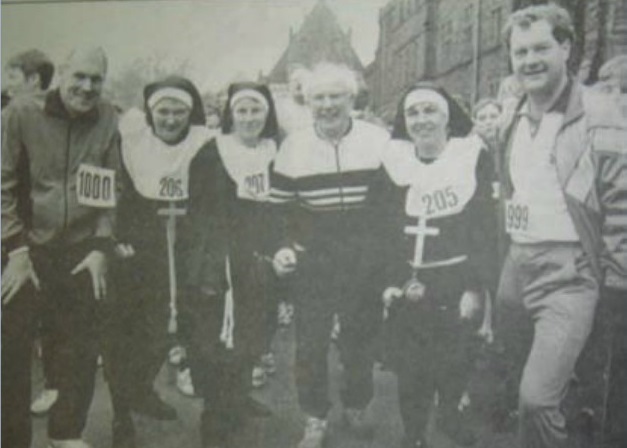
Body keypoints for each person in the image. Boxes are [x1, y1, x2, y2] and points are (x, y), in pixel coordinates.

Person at [494, 5, 627, 448]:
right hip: (516, 266)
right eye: (520, 51)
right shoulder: (510, 113)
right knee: (520, 380)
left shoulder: (600, 111)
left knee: (536, 398)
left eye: (540, 49)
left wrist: (616, 281)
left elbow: (621, 202)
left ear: (566, 47)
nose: (529, 60)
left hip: (570, 274)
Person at [2, 47, 120, 448]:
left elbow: (109, 186)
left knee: (81, 349)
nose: (87, 88)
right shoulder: (21, 113)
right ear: (62, 75)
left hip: (80, 249)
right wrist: (15, 251)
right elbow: (2, 185)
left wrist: (101, 246)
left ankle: (66, 433)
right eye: (79, 77)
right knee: (12, 352)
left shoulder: (107, 117)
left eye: (96, 80)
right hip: (24, 248)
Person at [270, 63, 390, 448]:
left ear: (352, 99)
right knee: (310, 343)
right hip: (315, 252)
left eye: (336, 96)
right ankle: (314, 417)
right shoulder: (293, 146)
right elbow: (280, 210)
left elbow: (394, 200)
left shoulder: (378, 139)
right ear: (307, 102)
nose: (327, 105)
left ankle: (356, 404)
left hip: (364, 250)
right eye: (319, 97)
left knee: (360, 338)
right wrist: (286, 246)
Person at [377, 83, 497, 448]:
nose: (421, 120)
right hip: (407, 281)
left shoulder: (471, 156)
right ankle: (413, 436)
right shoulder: (392, 161)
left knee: (455, 362)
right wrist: (389, 280)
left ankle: (449, 415)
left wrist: (475, 288)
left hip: (456, 280)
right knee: (411, 372)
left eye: (430, 111)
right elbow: (379, 228)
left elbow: (484, 228)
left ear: (448, 117)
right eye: (412, 113)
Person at [103, 75, 211, 448]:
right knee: (129, 332)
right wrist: (119, 239)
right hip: (138, 248)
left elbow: (209, 200)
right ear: (151, 113)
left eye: (178, 111)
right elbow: (121, 195)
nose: (169, 119)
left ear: (189, 112)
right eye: (163, 111)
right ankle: (121, 412)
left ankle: (141, 391)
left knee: (167, 329)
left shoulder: (203, 143)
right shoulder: (133, 142)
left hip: (184, 246)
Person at [181, 81, 280, 448]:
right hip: (219, 259)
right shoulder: (212, 152)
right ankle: (214, 413)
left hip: (261, 258)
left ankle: (238, 399)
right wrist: (212, 256)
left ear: (267, 114)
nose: (250, 117)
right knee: (216, 340)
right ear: (231, 115)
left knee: (255, 331)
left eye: (256, 110)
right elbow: (198, 211)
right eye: (242, 110)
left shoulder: (276, 150)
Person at [3, 48, 62, 418]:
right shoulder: (9, 112)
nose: (5, 83)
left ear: (34, 80)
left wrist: (18, 245)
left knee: (33, 316)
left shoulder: (44, 118)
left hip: (30, 234)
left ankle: (46, 390)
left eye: (11, 76)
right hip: (15, 231)